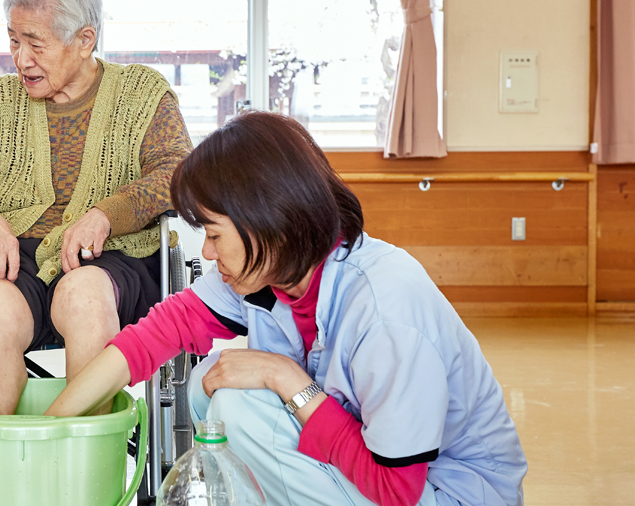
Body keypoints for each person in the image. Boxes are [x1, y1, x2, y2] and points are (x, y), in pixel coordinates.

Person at [46, 111, 528, 506]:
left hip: (445, 492)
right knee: (207, 382)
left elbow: (396, 488)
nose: (209, 254)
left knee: (236, 406)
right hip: (383, 475)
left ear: (269, 222)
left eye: (214, 235)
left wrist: (286, 377)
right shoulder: (272, 270)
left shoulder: (385, 310)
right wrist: (49, 427)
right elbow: (155, 335)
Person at [0, 0, 192, 417]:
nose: (21, 59)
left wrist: (106, 214)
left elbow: (178, 171)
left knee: (84, 297)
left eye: (35, 44)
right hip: (9, 254)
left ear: (85, 40)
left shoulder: (143, 94)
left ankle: (83, 475)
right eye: (13, 40)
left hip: (114, 258)